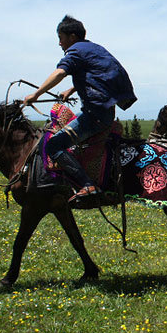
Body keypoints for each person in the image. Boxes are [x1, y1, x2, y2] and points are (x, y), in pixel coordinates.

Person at [22, 16, 137, 203]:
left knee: (52, 145)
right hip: (103, 112)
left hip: (95, 116)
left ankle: (87, 184)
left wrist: (36, 95)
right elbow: (98, 73)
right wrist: (72, 89)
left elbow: (60, 72)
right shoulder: (92, 48)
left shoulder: (75, 51)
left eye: (61, 37)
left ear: (72, 36)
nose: (59, 43)